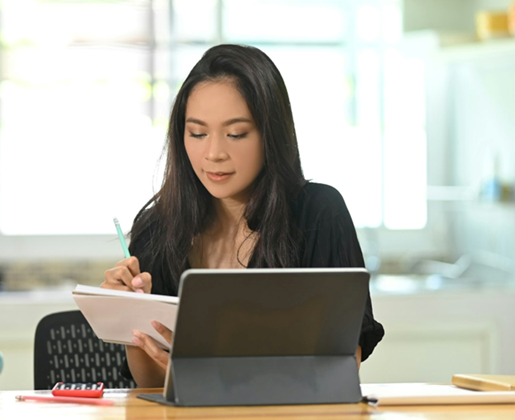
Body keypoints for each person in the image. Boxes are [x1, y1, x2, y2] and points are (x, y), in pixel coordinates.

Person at [100, 44, 385, 388]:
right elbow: (150, 387)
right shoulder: (158, 227)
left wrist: (210, 372)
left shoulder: (318, 213)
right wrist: (134, 315)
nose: (214, 153)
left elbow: (339, 369)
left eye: (236, 134)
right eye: (198, 133)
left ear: (271, 134)